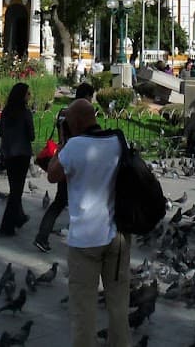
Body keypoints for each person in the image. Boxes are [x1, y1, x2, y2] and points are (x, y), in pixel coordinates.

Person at [47, 98, 129, 347]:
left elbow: (52, 174)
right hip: (118, 234)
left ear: (74, 123)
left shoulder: (74, 147)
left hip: (85, 239)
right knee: (118, 306)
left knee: (84, 309)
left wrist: (62, 143)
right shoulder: (117, 140)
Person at [35, 82, 95, 252]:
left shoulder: (63, 112)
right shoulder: (81, 114)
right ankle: (45, 236)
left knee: (62, 200)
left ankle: (44, 235)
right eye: (90, 97)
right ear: (87, 97)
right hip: (76, 159)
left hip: (63, 157)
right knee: (68, 200)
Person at [0, 82, 35, 237]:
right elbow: (31, 136)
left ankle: (19, 218)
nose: (29, 96)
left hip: (9, 153)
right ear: (22, 96)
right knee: (16, 192)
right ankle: (6, 226)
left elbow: (0, 131)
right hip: (22, 153)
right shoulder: (25, 113)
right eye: (28, 93)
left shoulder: (6, 112)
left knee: (14, 188)